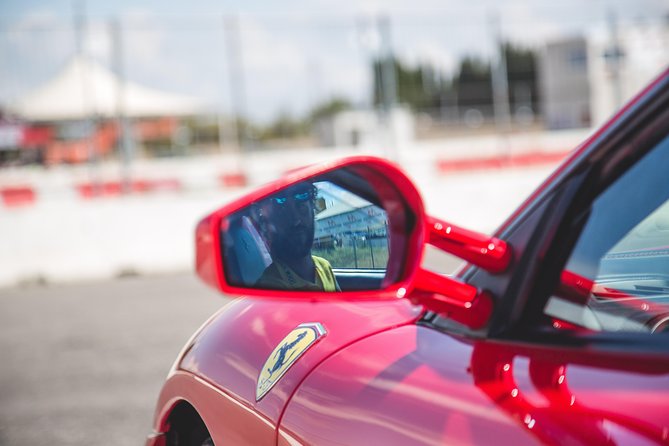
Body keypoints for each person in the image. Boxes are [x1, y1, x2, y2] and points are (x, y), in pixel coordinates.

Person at [254, 182, 340, 292]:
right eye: (284, 213)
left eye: (301, 208)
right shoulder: (269, 286)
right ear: (271, 224)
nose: (296, 220)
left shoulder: (324, 267)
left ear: (313, 211)